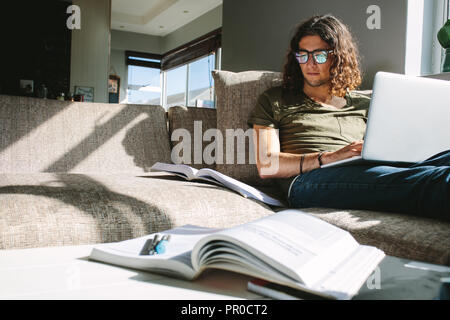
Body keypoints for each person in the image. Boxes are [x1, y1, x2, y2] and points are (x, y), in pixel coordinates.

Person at [248, 14, 449, 221]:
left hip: (367, 168)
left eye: (319, 55)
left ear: (337, 57)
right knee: (440, 181)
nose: (309, 64)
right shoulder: (275, 99)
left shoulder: (365, 104)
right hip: (306, 182)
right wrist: (332, 157)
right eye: (303, 55)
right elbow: (267, 164)